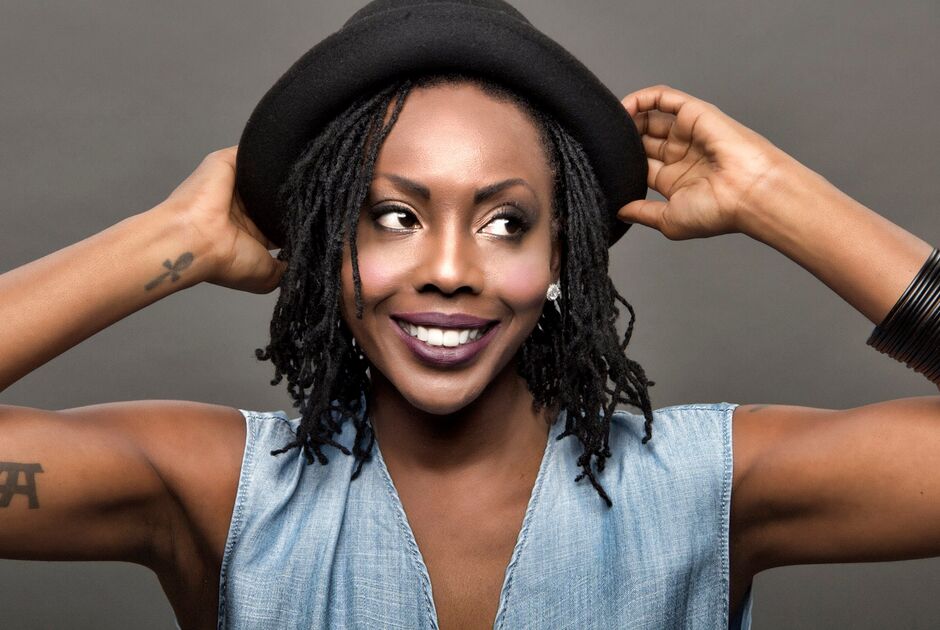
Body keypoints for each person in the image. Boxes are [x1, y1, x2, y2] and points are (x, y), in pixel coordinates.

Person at [2, 5, 939, 630]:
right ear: (327, 245)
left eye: (505, 223)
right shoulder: (220, 492)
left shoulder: (705, 490)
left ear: (562, 256)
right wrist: (171, 240)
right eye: (394, 216)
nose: (450, 271)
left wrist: (778, 197)